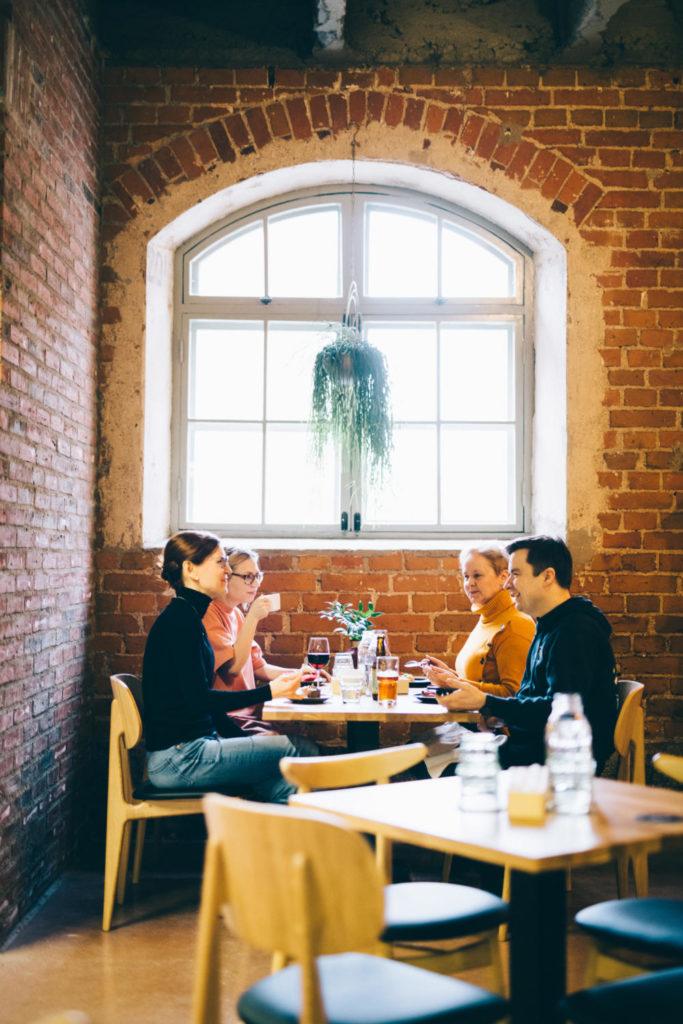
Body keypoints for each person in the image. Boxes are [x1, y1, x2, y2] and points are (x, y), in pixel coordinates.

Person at [142, 531, 316, 804]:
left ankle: (272, 844)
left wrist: (244, 739)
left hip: (193, 749)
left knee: (280, 782)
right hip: (179, 758)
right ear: (191, 570)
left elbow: (203, 703)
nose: (227, 569)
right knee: (301, 750)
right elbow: (200, 700)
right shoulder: (180, 622)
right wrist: (268, 692)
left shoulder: (189, 615)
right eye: (220, 562)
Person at [432, 535, 618, 771]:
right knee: (428, 749)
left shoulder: (575, 632)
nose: (508, 584)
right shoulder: (550, 624)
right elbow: (529, 697)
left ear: (548, 576)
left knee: (435, 760)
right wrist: (495, 713)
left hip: (557, 760)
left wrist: (487, 701)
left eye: (516, 574)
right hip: (531, 747)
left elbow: (561, 711)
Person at [203, 546, 299, 736]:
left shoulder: (236, 614)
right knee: (293, 747)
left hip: (248, 715)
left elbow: (258, 667)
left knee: (290, 739)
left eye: (258, 576)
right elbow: (232, 669)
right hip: (226, 719)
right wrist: (253, 618)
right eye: (248, 576)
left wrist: (302, 675)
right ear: (226, 577)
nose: (255, 583)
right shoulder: (209, 614)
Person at [424, 544, 534, 698]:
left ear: (503, 577)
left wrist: (451, 682)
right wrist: (449, 675)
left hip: (494, 722)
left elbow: (513, 694)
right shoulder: (488, 617)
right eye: (466, 576)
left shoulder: (515, 624)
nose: (469, 583)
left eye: (477, 575)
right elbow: (479, 680)